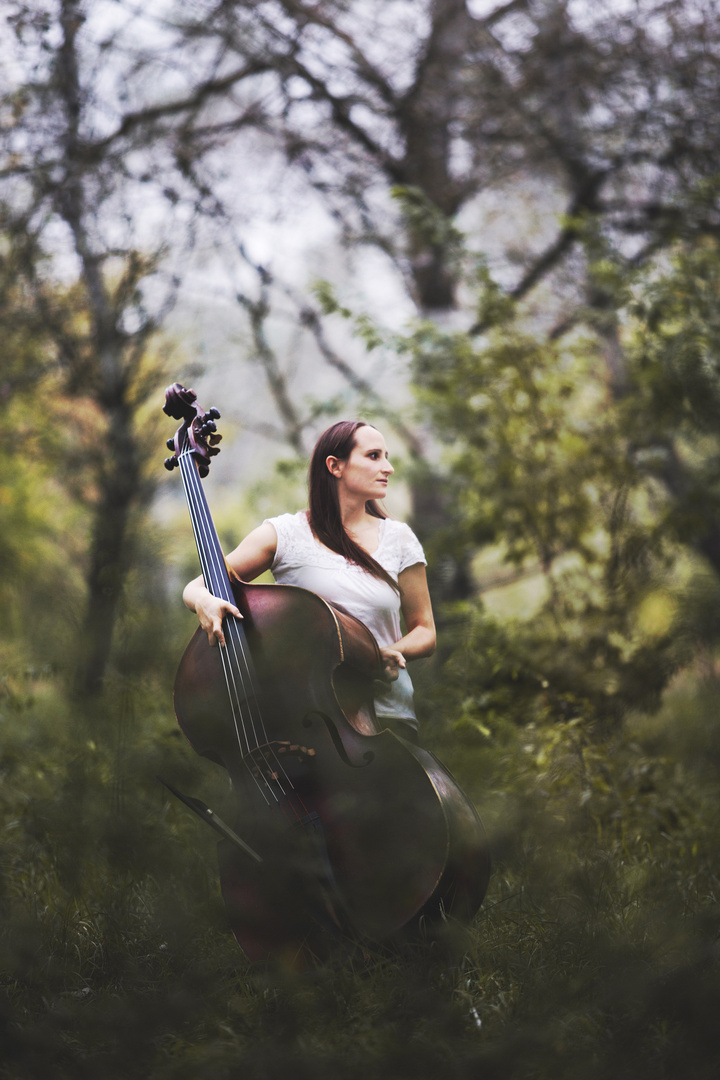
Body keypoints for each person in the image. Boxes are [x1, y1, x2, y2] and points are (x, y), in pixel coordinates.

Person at [182, 420, 436, 744]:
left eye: (386, 456)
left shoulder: (399, 538)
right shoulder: (285, 534)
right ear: (335, 465)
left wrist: (386, 653)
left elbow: (425, 631)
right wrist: (203, 601)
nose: (388, 467)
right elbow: (199, 585)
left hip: (388, 711)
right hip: (312, 714)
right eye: (374, 456)